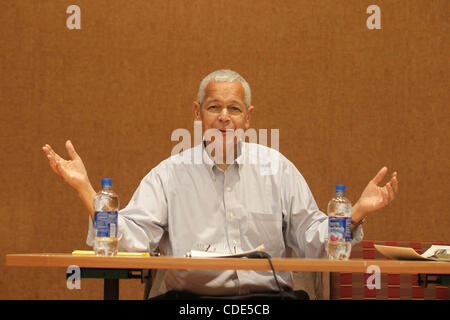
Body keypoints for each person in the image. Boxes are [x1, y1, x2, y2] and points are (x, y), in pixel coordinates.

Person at [42, 69, 398, 298]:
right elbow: (131, 239)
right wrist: (85, 189)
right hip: (192, 305)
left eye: (234, 109)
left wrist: (355, 214)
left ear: (248, 118)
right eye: (214, 107)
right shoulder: (170, 173)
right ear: (197, 114)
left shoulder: (278, 169)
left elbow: (313, 242)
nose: (224, 117)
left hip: (266, 303)